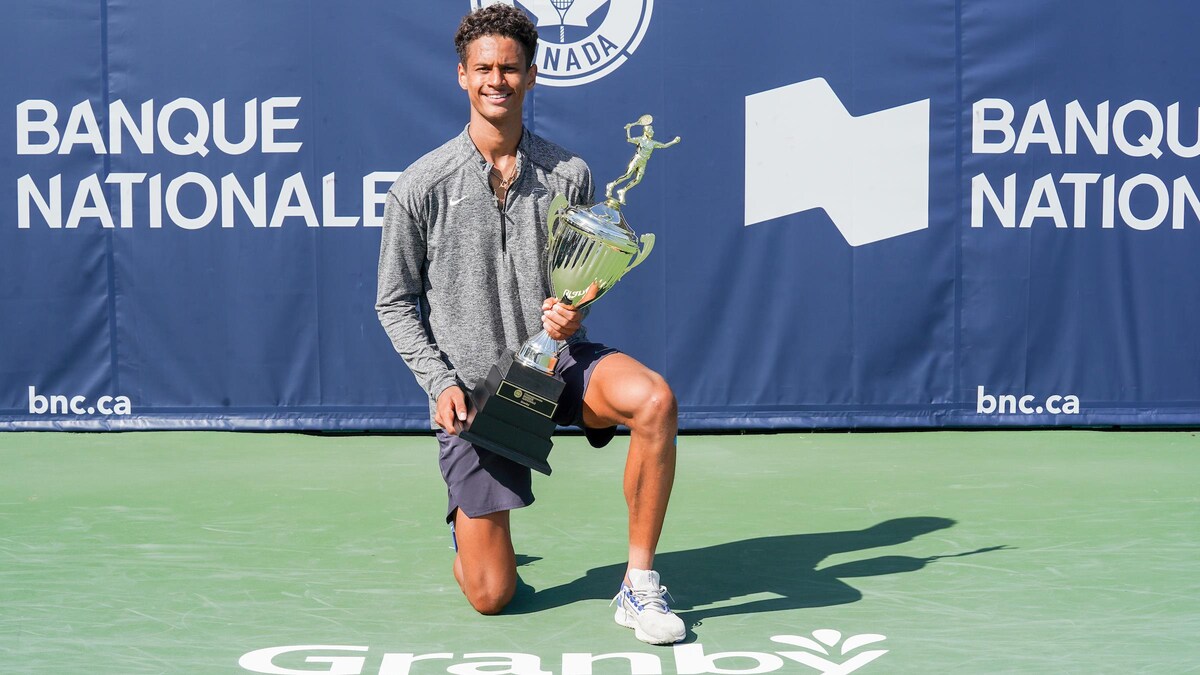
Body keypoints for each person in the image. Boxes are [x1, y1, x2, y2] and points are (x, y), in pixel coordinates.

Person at [375, 4, 685, 645]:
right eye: (484, 68)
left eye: (510, 68)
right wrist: (439, 384)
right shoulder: (420, 185)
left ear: (532, 76)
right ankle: (470, 527)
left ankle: (639, 583)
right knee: (492, 596)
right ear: (462, 75)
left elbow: (582, 279)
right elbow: (395, 302)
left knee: (654, 400)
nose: (497, 80)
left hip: (558, 365)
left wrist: (574, 314)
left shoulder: (570, 174)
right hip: (481, 396)